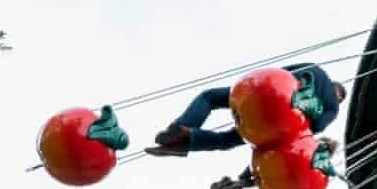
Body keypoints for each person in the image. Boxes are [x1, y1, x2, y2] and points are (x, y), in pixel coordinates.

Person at [146, 64, 344, 158]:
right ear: (339, 96)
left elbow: (281, 71)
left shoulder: (316, 69)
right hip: (278, 124)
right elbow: (314, 128)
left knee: (210, 97)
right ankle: (186, 142)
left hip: (268, 92)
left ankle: (182, 127)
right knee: (227, 140)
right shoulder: (333, 109)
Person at [211, 135, 340, 189]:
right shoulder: (319, 156)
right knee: (256, 181)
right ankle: (235, 185)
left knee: (249, 176)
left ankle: (234, 184)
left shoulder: (311, 142)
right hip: (276, 169)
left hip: (266, 160)